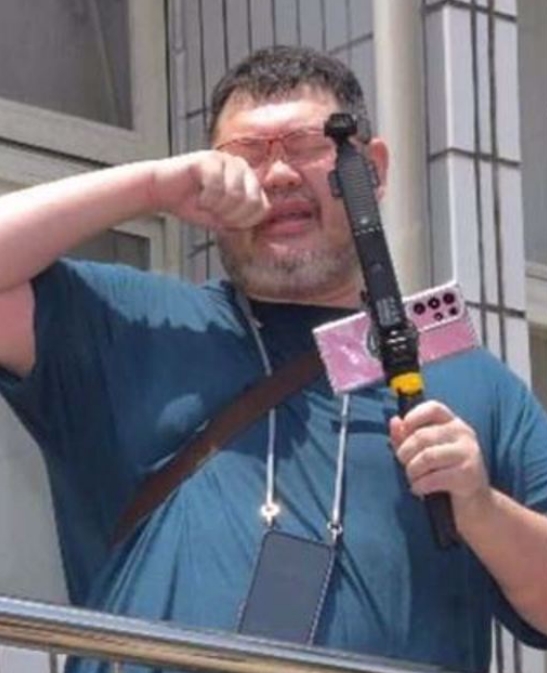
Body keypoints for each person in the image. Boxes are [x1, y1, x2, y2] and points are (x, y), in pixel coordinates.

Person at [0, 45, 546, 673]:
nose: (280, 175)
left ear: (371, 169)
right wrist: (150, 185)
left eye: (309, 146)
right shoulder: (134, 322)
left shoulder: (471, 384)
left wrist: (481, 510)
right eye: (247, 155)